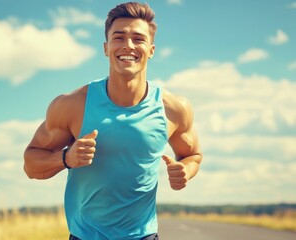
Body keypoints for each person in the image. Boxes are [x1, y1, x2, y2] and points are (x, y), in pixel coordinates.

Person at [23, 2, 202, 239]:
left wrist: (186, 171)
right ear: (106, 48)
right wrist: (67, 157)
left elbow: (193, 155)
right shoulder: (72, 105)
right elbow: (31, 165)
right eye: (119, 37)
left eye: (138, 38)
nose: (128, 45)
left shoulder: (174, 109)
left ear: (151, 50)